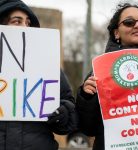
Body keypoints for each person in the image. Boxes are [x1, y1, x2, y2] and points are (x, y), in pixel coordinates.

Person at [0, 0, 77, 150]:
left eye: (28, 23)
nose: (25, 27)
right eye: (17, 21)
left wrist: (61, 113)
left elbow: (69, 113)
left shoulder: (46, 64)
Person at [76, 2, 138, 150]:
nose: (137, 25)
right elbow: (87, 128)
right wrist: (86, 97)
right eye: (129, 22)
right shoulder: (100, 71)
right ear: (116, 33)